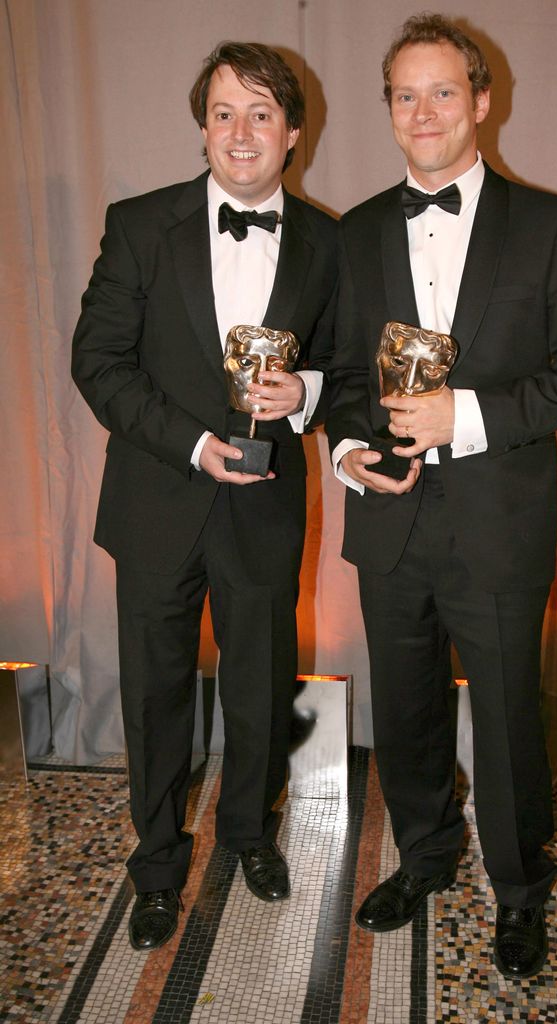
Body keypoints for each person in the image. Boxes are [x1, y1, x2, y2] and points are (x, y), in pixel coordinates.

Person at [326, 13, 557, 979]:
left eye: (442, 91)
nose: (422, 111)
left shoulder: (549, 222)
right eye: (404, 95)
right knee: (405, 714)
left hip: (500, 524)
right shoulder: (358, 230)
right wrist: (348, 455)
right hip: (390, 521)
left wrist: (474, 415)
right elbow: (340, 378)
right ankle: (425, 856)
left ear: (482, 102)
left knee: (503, 722)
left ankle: (521, 889)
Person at [72, 41, 337, 952]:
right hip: (157, 499)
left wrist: (302, 392)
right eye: (224, 112)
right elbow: (96, 362)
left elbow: (342, 368)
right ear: (202, 127)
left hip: (265, 504)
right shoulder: (140, 224)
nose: (240, 131)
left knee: (261, 686)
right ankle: (154, 864)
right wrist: (189, 443)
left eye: (261, 113)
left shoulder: (329, 240)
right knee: (154, 693)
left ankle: (249, 837)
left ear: (293, 133)